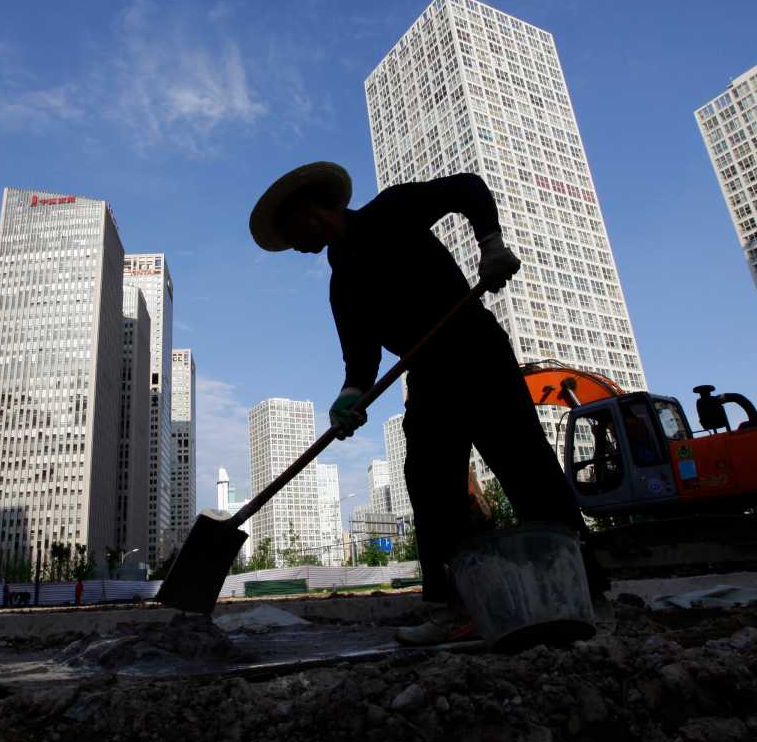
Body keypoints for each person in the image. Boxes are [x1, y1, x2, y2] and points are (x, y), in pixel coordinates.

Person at [249, 161, 608, 645]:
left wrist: (492, 245)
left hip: (476, 349)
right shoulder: (343, 283)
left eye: (289, 232)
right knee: (429, 481)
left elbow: (468, 189)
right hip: (431, 376)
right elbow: (361, 358)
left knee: (526, 467)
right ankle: (454, 606)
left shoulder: (392, 210)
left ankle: (587, 590)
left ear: (309, 211)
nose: (293, 247)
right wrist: (348, 398)